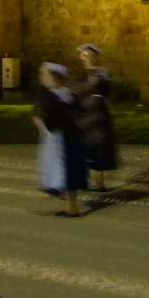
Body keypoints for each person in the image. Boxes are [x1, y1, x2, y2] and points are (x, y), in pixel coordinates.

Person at [33, 61, 88, 217]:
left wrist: (42, 123)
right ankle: (70, 206)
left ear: (54, 77)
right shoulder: (66, 95)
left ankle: (72, 207)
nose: (42, 78)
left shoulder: (57, 96)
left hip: (64, 138)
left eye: (44, 75)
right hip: (67, 137)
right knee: (66, 171)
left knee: (66, 170)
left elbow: (56, 116)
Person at [70, 44, 118, 192]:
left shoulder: (101, 74)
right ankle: (87, 180)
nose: (85, 59)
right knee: (86, 149)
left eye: (88, 56)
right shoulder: (83, 74)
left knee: (98, 149)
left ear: (94, 57)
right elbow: (77, 91)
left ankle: (99, 183)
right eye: (83, 56)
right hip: (85, 115)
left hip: (97, 116)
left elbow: (104, 91)